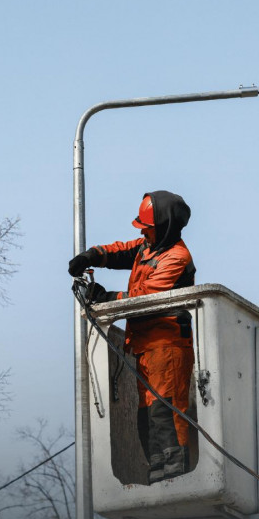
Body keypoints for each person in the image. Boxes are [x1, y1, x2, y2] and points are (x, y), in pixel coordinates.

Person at [68, 191, 195, 483]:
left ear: (164, 226)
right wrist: (92, 256)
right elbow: (121, 251)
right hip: (145, 346)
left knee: (166, 408)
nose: (142, 232)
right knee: (147, 411)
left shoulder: (176, 257)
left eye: (147, 227)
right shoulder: (147, 247)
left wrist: (105, 298)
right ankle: (156, 469)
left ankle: (175, 472)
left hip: (168, 344)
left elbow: (148, 298)